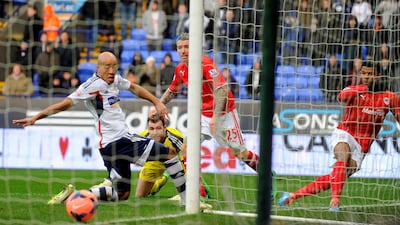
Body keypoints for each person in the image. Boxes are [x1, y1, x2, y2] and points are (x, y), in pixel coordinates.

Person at [13, 51, 187, 206]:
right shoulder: (91, 86)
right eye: (107, 67)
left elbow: (134, 87)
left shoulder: (115, 80)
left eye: (114, 67)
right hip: (119, 140)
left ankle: (75, 196)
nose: (111, 71)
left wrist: (156, 102)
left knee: (122, 194)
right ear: (98, 67)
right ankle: (189, 201)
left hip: (109, 147)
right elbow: (65, 103)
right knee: (169, 154)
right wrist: (36, 117)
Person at [278, 61, 400, 212]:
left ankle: (293, 195)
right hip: (345, 132)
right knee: (343, 157)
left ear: (378, 75)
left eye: (370, 74)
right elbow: (341, 96)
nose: (366, 76)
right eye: (364, 73)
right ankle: (335, 201)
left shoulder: (390, 97)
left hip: (362, 145)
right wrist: (363, 89)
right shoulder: (355, 90)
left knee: (335, 178)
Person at [160, 33, 259, 171]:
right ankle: (198, 191)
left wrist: (215, 117)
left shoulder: (205, 64)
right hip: (203, 115)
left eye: (187, 47)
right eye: (180, 47)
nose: (183, 51)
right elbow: (172, 90)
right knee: (186, 149)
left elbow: (223, 90)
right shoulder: (180, 69)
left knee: (241, 154)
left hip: (224, 114)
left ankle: (266, 174)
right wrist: (159, 104)